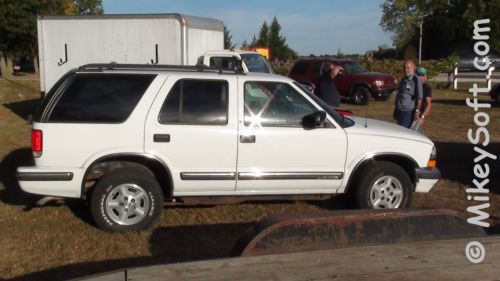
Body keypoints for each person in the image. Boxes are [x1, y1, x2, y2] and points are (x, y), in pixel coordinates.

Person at [394, 60, 422, 128]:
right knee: (399, 131)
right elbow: (399, 95)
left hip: (408, 112)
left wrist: (417, 111)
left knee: (404, 132)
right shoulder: (403, 79)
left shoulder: (416, 80)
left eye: (408, 67)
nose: (406, 70)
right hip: (400, 110)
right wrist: (396, 109)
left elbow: (419, 98)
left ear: (413, 68)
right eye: (404, 68)